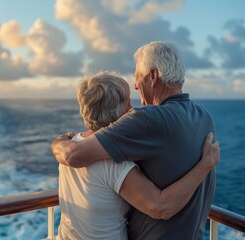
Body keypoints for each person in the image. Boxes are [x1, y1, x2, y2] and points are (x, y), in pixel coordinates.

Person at [52, 42, 217, 239]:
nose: (137, 85)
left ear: (153, 75)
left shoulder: (147, 118)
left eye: (138, 78)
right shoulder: (205, 117)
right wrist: (206, 164)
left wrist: (59, 142)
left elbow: (73, 155)